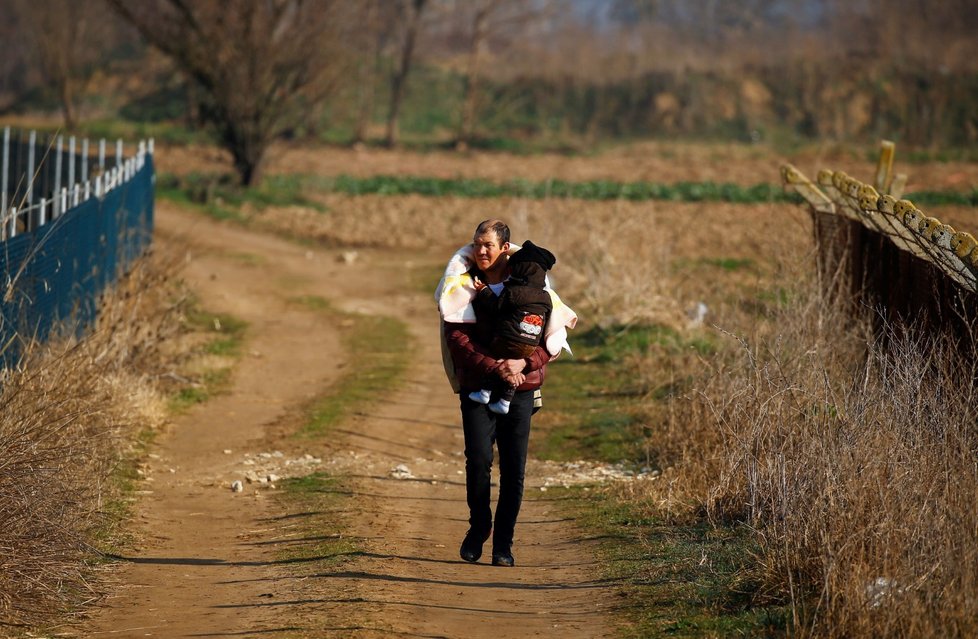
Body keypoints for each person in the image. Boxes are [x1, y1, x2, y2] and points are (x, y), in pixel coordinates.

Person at [438, 219, 574, 568]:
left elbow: (550, 342)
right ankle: (478, 526)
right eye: (477, 244)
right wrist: (494, 366)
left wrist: (522, 367)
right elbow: (458, 339)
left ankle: (504, 545)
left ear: (503, 248)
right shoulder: (462, 284)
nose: (481, 251)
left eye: (488, 245)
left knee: (514, 470)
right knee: (479, 461)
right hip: (477, 385)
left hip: (521, 388)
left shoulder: (532, 284)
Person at [467, 240, 555, 415]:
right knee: (514, 366)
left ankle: (485, 392)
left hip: (507, 341)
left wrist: (483, 290)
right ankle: (505, 401)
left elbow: (495, 305)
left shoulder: (514, 291)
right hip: (529, 347)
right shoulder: (547, 297)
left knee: (495, 354)